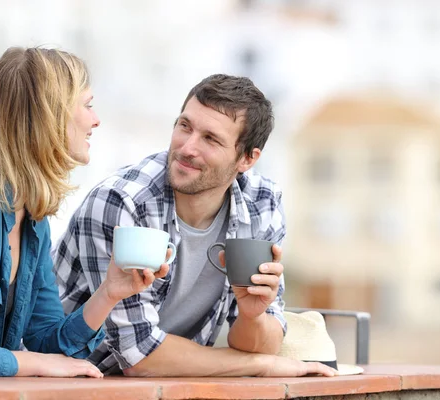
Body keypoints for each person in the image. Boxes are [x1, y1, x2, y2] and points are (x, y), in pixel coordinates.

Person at [52, 74, 337, 377]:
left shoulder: (262, 204)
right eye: (184, 126)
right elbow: (137, 356)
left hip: (171, 383)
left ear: (248, 159)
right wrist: (261, 365)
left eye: (210, 139)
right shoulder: (122, 201)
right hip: (72, 380)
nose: (187, 147)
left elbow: (259, 344)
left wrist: (252, 316)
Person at [0, 47, 169, 379]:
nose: (96, 120)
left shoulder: (33, 216)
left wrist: (109, 293)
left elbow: (47, 342)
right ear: (49, 115)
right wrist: (39, 362)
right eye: (88, 105)